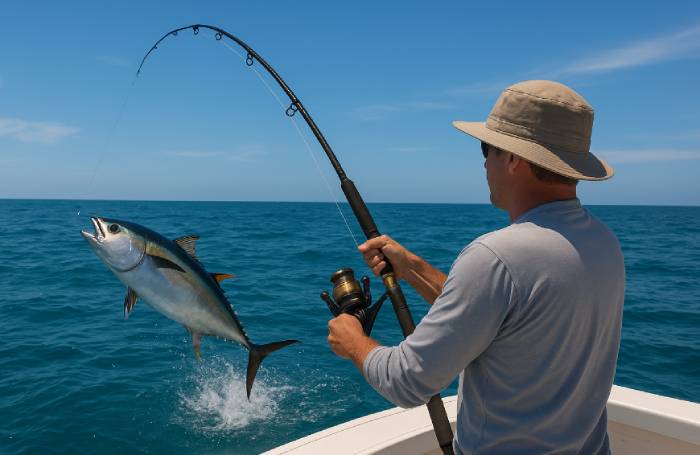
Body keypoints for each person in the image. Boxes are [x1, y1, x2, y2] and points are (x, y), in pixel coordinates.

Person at [327, 80, 625, 454]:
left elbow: (406, 382)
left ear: (515, 159)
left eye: (488, 148)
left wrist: (352, 340)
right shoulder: (604, 243)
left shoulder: (496, 256)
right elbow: (502, 321)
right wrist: (412, 267)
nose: (484, 161)